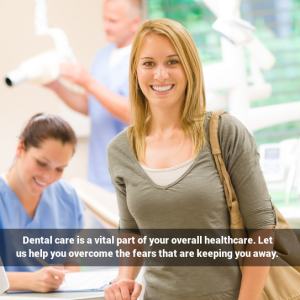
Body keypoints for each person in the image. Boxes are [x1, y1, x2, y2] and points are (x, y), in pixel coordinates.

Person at [105, 19, 276, 300]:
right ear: (136, 70)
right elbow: (132, 231)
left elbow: (262, 228)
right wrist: (124, 279)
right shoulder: (120, 149)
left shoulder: (225, 133)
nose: (160, 74)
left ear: (190, 68)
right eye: (148, 63)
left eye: (173, 61)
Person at [45, 0, 142, 193]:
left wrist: (88, 82)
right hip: (99, 172)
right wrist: (55, 85)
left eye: (112, 20)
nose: (105, 26)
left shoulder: (144, 58)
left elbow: (135, 114)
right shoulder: (102, 55)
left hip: (131, 174)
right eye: (104, 19)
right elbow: (89, 105)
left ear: (134, 22)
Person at [0, 113, 86, 292]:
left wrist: (65, 278)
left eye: (59, 169)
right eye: (41, 163)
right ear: (20, 148)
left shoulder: (67, 196)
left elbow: (72, 258)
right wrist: (29, 281)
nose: (49, 177)